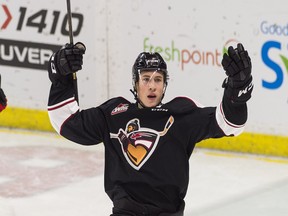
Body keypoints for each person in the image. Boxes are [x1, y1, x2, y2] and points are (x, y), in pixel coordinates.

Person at [47, 42, 253, 216]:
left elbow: (230, 124)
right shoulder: (114, 113)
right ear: (136, 84)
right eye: (146, 79)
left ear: (165, 85)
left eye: (158, 79)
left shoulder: (181, 113)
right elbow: (65, 121)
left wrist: (236, 90)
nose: (152, 86)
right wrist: (61, 75)